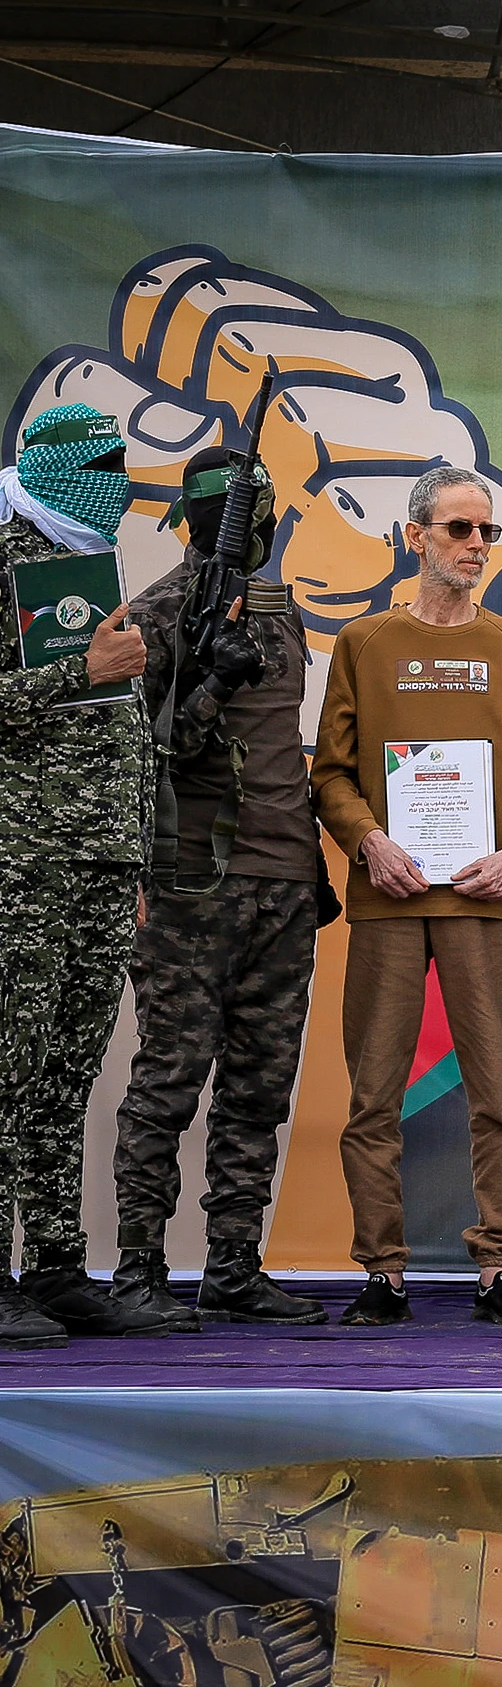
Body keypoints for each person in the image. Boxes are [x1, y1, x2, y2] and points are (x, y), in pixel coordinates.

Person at [312, 466, 502, 1328]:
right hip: (390, 897)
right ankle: (383, 1272)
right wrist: (368, 841)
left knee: (498, 1096)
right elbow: (330, 774)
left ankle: (498, 1267)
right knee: (372, 1097)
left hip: (486, 898)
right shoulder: (364, 642)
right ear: (415, 535)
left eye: (487, 531)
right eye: (460, 528)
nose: (477, 545)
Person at [110, 445, 333, 1333]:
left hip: (284, 880)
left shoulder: (279, 610)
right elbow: (139, 756)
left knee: (258, 1086)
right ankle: (137, 1269)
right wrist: (208, 685)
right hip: (193, 883)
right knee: (169, 1080)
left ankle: (234, 1265)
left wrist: (314, 863)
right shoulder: (155, 612)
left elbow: (283, 748)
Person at [0, 402, 156, 1345]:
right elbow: (71, 686)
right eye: (100, 463)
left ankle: (56, 1266)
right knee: (8, 1066)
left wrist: (136, 850)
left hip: (101, 853)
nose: (117, 481)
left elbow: (119, 724)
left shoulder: (89, 557)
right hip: (21, 856)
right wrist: (79, 671)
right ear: (47, 466)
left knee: (67, 1072)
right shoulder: (7, 551)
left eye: (121, 462)